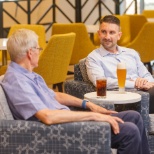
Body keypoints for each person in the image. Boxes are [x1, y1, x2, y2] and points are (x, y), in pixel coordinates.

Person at [1, 29, 150, 154]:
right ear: (30, 52)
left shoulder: (30, 75)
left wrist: (88, 105)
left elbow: (55, 95)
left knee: (134, 117)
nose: (40, 52)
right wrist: (94, 116)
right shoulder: (17, 81)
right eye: (39, 49)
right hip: (59, 130)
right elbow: (47, 116)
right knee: (129, 132)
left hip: (66, 119)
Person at [86, 15, 154, 113]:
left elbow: (147, 75)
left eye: (112, 32)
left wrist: (145, 82)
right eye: (104, 32)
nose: (107, 37)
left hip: (145, 90)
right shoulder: (94, 57)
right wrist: (135, 83)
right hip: (124, 95)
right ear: (99, 34)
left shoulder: (131, 53)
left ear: (119, 35)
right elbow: (101, 82)